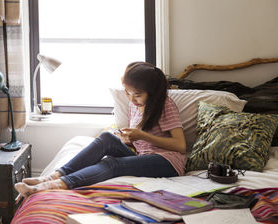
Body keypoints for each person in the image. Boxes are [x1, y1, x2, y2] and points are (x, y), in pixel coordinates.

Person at [15, 62, 186, 197]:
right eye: (128, 93)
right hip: (144, 157)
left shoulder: (165, 105)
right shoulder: (134, 104)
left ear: (153, 93)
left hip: (167, 163)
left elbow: (180, 146)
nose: (132, 99)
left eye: (138, 95)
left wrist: (142, 135)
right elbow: (141, 141)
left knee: (111, 163)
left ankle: (54, 185)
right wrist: (129, 139)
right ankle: (53, 176)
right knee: (106, 138)